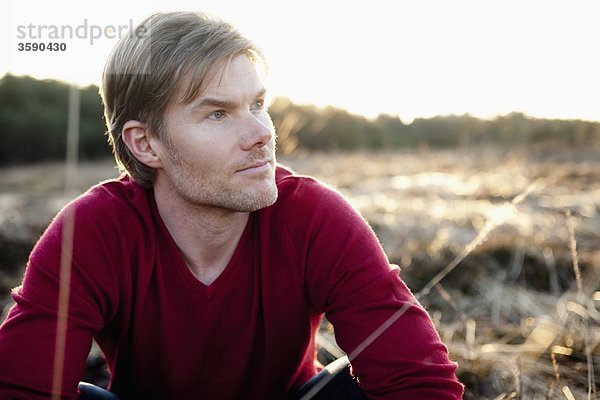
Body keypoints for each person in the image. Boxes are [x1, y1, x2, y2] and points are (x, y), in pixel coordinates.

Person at [0, 11, 464, 399]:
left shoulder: (315, 217)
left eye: (258, 104)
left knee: (353, 387)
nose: (262, 133)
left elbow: (420, 382)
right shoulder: (94, 230)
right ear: (145, 144)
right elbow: (21, 389)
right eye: (218, 113)